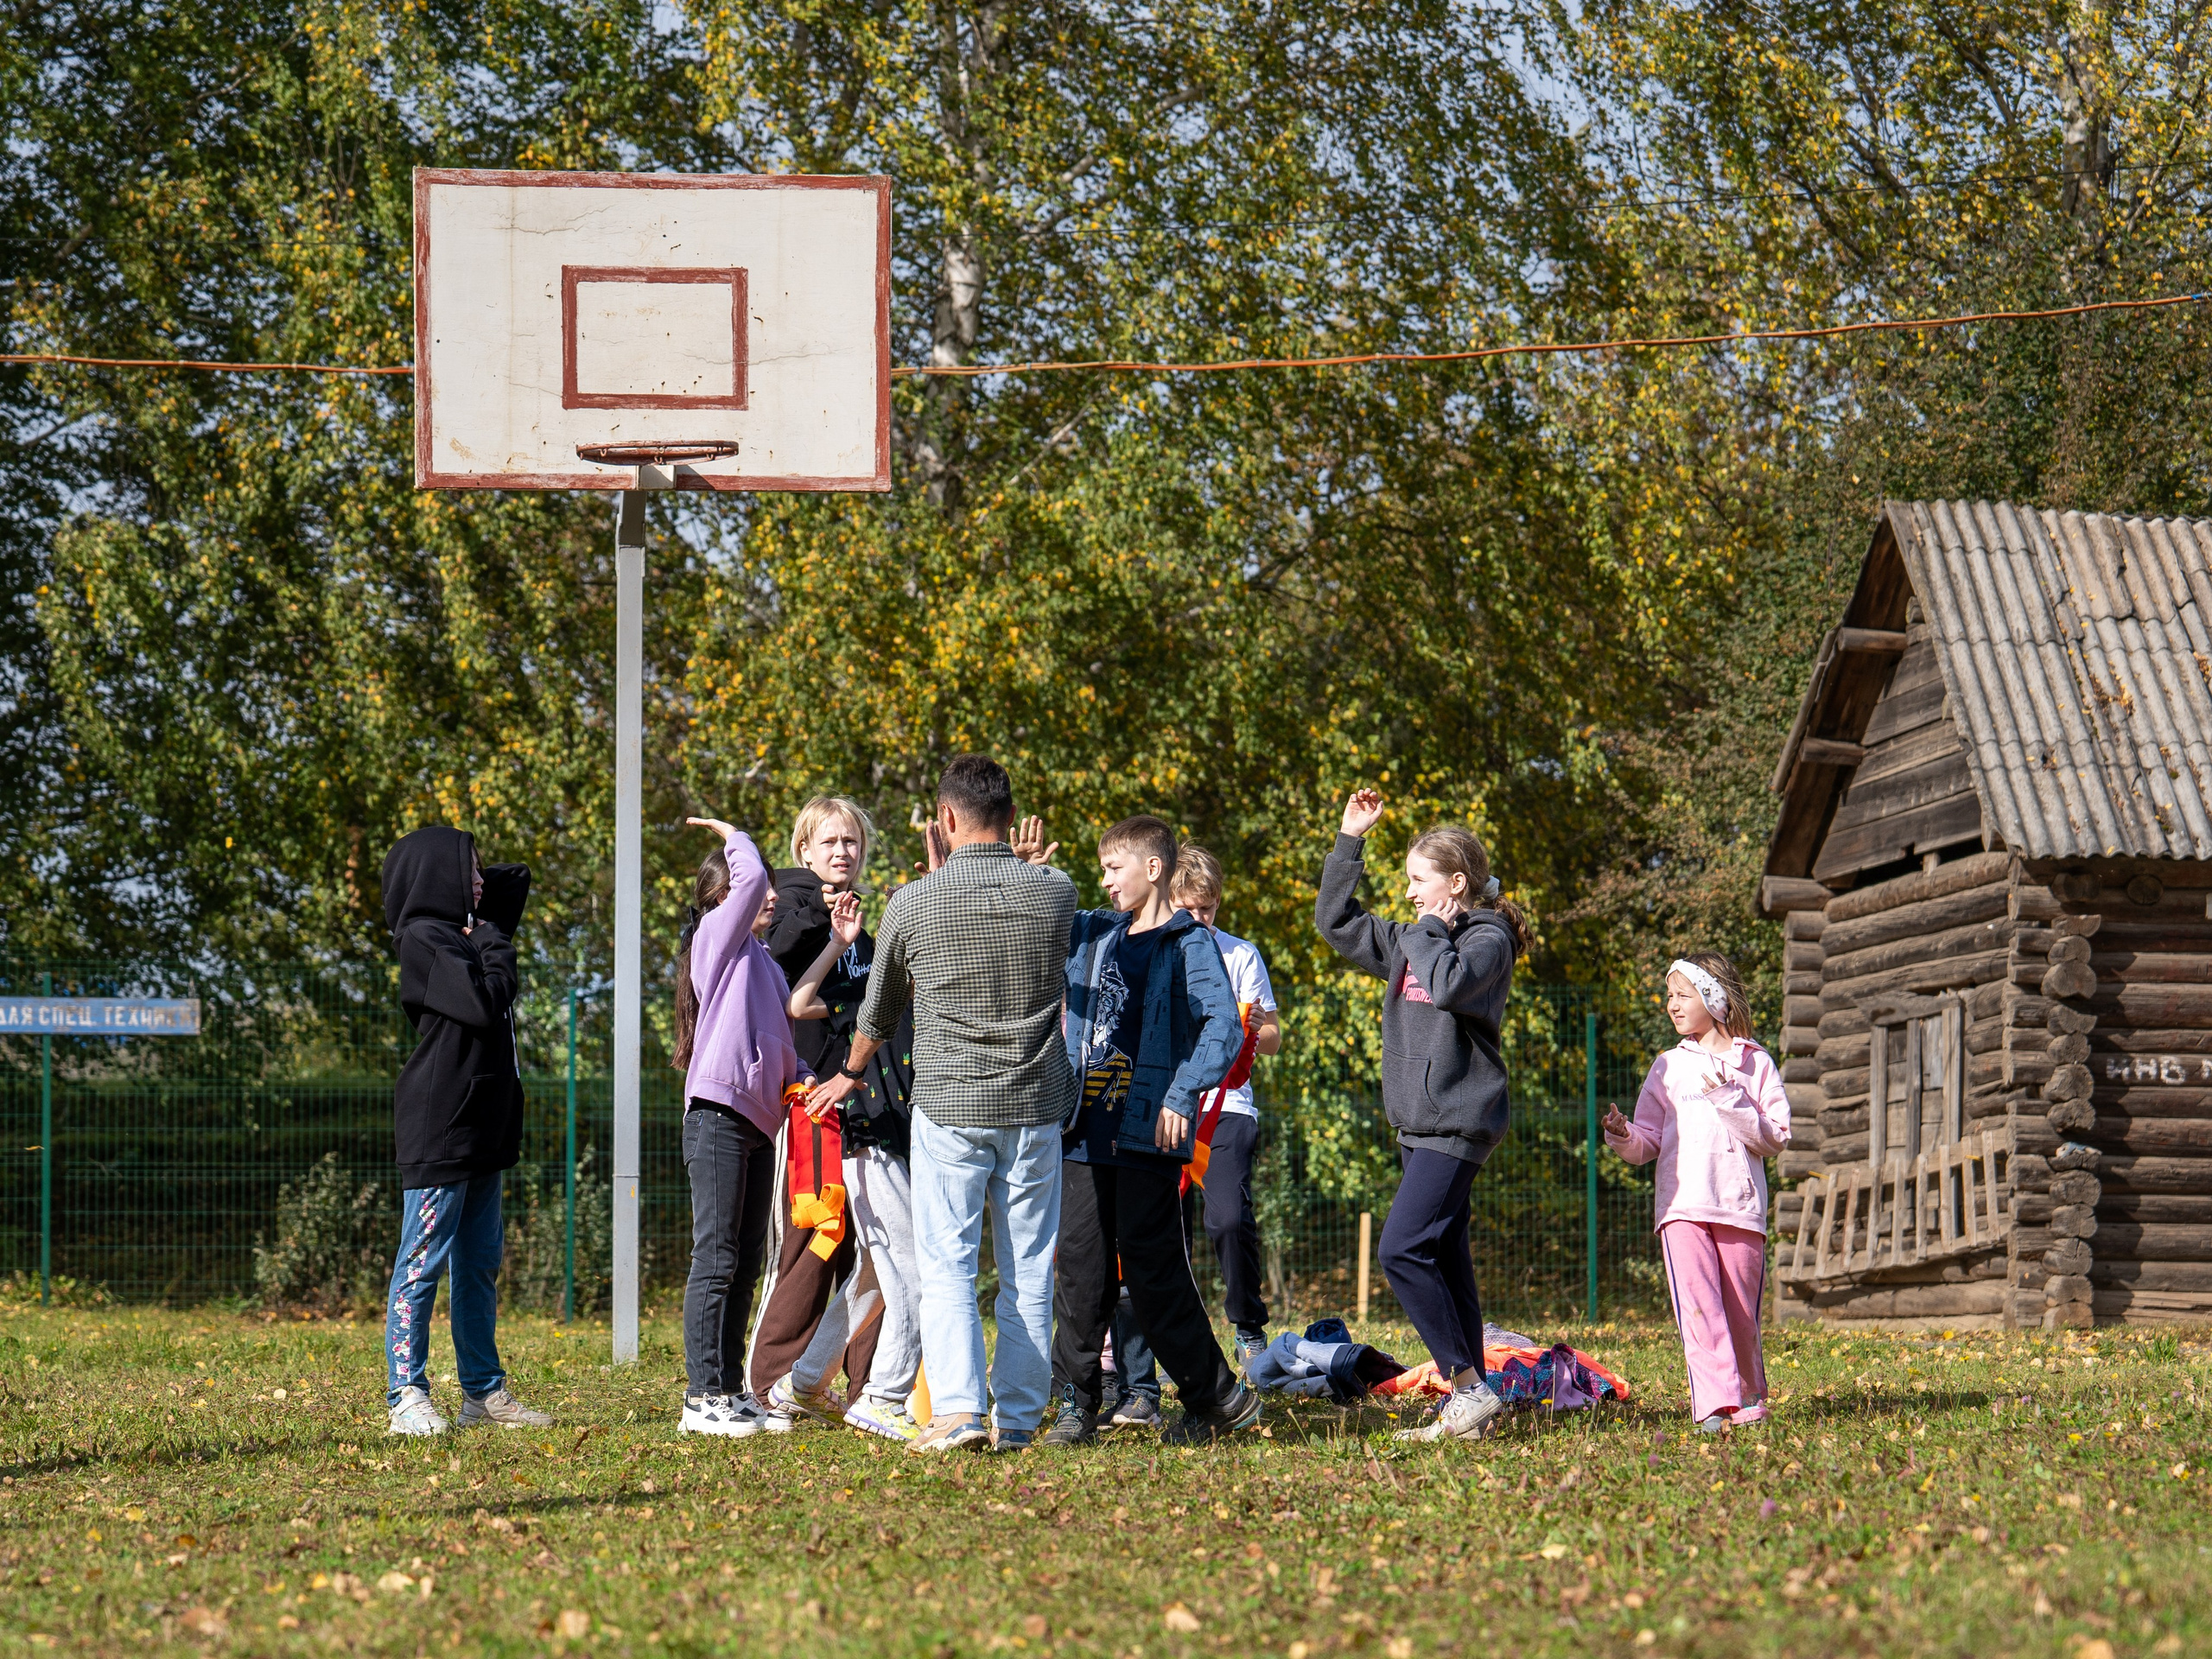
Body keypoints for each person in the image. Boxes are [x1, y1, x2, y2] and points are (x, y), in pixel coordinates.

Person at [807, 755, 1076, 1453]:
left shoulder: (912, 903)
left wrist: (851, 1072)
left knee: (948, 1263)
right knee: (1027, 1267)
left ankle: (957, 1411)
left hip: (951, 1105)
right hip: (1034, 1104)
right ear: (1012, 820)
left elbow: (879, 1007)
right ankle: (1017, 1419)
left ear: (946, 819)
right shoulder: (1055, 892)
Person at [1314, 789, 1529, 1445]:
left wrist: (1433, 931)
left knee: (1402, 1249)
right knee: (1444, 1251)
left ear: (1456, 884)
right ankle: (1479, 1400)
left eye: (1418, 880)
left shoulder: (1489, 938)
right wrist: (1350, 839)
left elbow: (1451, 986)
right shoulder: (1413, 936)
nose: (1408, 894)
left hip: (1461, 1118)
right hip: (1419, 1121)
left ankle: (1463, 1387)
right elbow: (1336, 921)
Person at [1039, 815, 1259, 1449]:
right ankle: (1078, 1406)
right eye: (1102, 870)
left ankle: (1216, 1398)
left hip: (1148, 1136)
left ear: (1153, 869)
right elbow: (1046, 922)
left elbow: (1224, 1025)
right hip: (1082, 1131)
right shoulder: (1096, 934)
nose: (1104, 882)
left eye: (1114, 868)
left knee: (1152, 1270)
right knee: (1080, 1273)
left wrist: (1181, 1091)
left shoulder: (1189, 942)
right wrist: (1030, 872)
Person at [748, 797, 916, 1436]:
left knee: (871, 1252)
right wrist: (816, 914)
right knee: (811, 1243)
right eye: (829, 842)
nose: (842, 852)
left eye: (851, 842)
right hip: (810, 1106)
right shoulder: (788, 909)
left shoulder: (869, 937)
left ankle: (862, 1385)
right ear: (804, 852)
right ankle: (767, 1382)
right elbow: (790, 992)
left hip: (873, 1109)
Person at [378, 826, 554, 1437]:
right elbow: (486, 1001)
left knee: (478, 1264)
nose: (480, 880)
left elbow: (515, 882)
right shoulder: (424, 941)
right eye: (466, 869)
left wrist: (479, 903)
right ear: (437, 876)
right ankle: (406, 1394)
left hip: (486, 1124)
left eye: (478, 869)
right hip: (441, 1125)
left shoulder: (466, 937)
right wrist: (492, 941)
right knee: (423, 1261)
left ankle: (483, 1394)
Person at [1602, 952, 1788, 1432]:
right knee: (1700, 1309)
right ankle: (1713, 1405)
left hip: (1740, 1208)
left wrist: (1730, 1099)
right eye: (1670, 996)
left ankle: (1748, 1397)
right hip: (1682, 1207)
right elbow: (1647, 1143)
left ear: (1715, 998)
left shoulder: (1755, 1062)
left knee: (1741, 1316)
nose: (1672, 1005)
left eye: (1683, 995)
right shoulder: (1667, 1067)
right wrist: (1624, 1135)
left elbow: (1776, 1137)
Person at [673, 816, 814, 1438]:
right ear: (722, 900)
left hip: (759, 1123)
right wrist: (731, 833)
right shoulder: (717, 941)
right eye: (757, 891)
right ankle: (700, 1397)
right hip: (716, 1117)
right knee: (717, 1255)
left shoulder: (768, 968)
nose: (771, 895)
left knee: (748, 1261)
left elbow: (781, 1046)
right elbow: (753, 874)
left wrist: (809, 1079)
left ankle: (731, 1391)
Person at [784, 883, 925, 1443]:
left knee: (871, 1278)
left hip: (909, 1149)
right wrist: (837, 943)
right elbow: (799, 1003)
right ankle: (884, 1398)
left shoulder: (932, 999)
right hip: (870, 1149)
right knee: (916, 1274)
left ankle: (805, 1380)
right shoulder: (866, 994)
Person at [1169, 842, 1282, 1374]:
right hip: (1169, 1103)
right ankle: (1178, 1339)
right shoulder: (1159, 950)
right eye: (1189, 909)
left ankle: (1248, 1325)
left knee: (1228, 1218)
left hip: (1229, 1104)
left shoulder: (1241, 955)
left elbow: (1276, 1036)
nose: (1199, 919)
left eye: (1207, 909)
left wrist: (1260, 1026)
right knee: (1168, 1226)